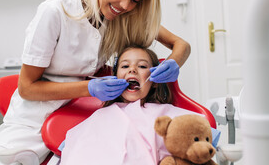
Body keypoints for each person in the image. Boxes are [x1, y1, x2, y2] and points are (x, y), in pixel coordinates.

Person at [0, 0, 191, 164]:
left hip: (83, 118)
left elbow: (181, 45)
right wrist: (89, 88)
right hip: (33, 121)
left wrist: (174, 62)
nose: (125, 5)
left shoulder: (125, 16)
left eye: (136, 0)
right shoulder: (55, 12)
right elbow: (26, 88)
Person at [60, 45, 208, 164]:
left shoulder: (163, 113)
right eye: (125, 66)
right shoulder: (100, 115)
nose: (132, 69)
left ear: (155, 81)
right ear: (115, 77)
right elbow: (76, 148)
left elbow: (200, 134)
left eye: (142, 66)